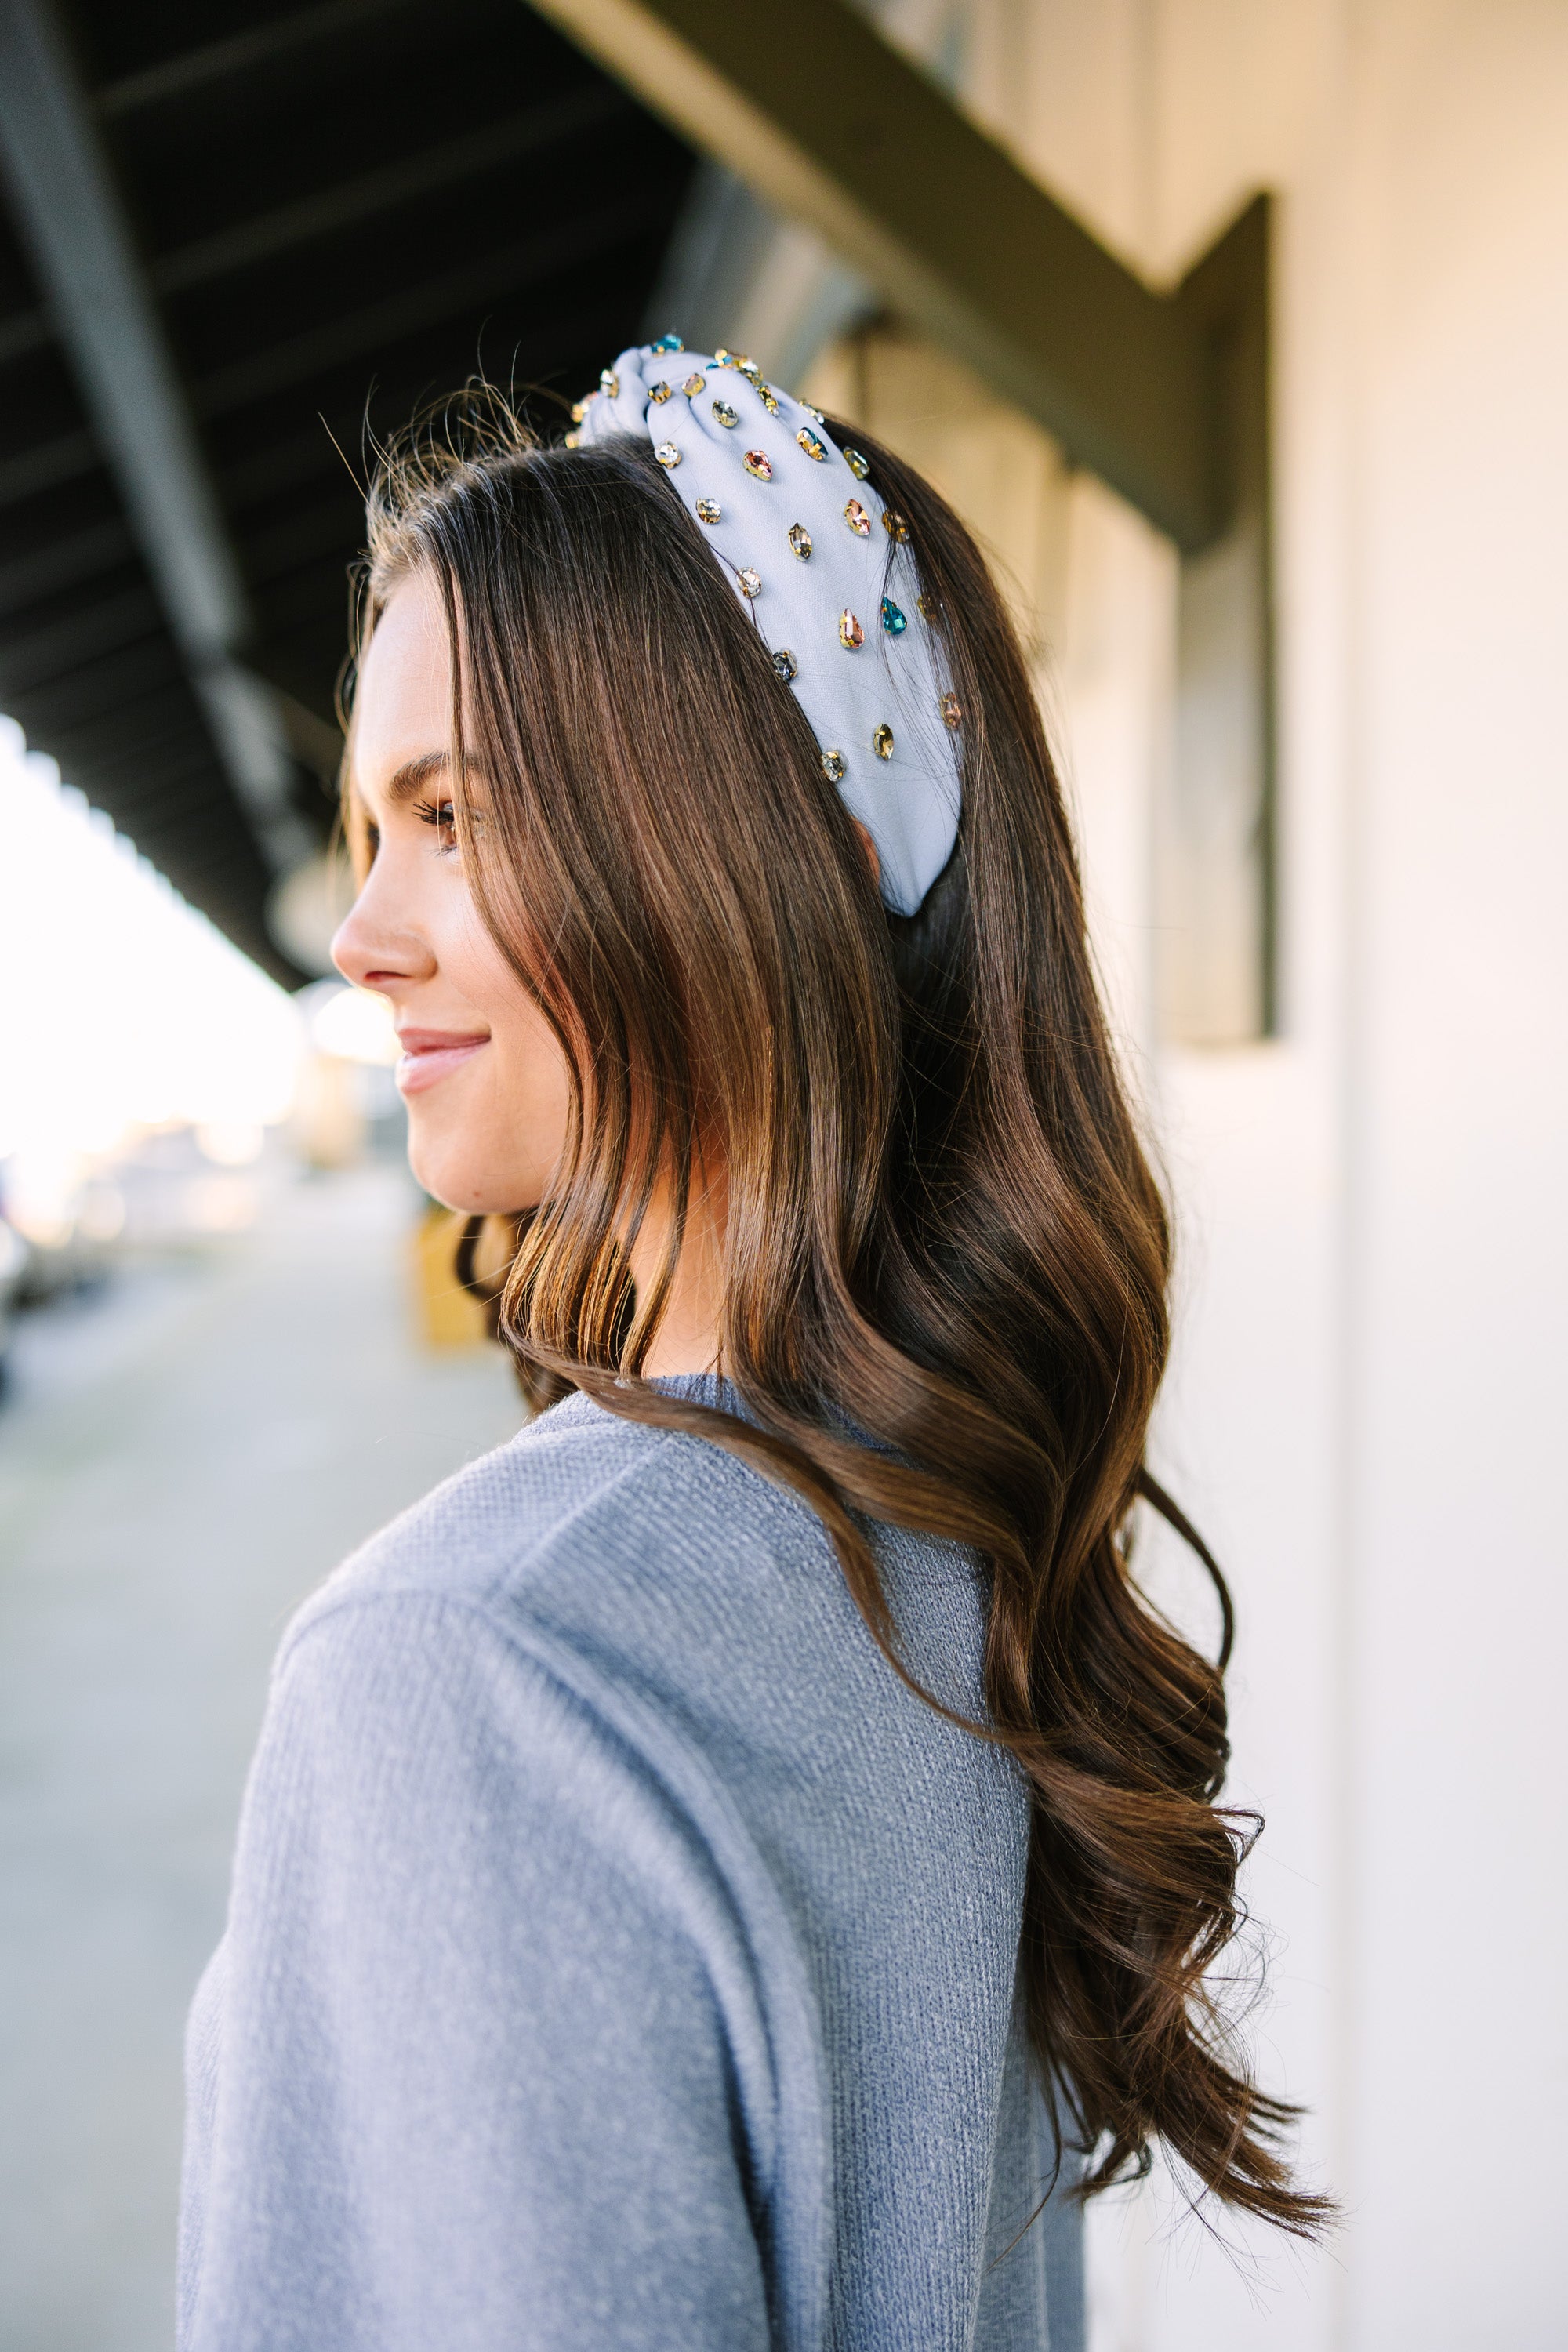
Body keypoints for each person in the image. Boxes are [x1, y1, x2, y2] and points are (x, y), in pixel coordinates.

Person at [176, 343, 1327, 2350]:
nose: (359, 935)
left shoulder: (477, 1665)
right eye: (372, 829)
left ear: (726, 845)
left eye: (447, 814)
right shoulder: (945, 1526)